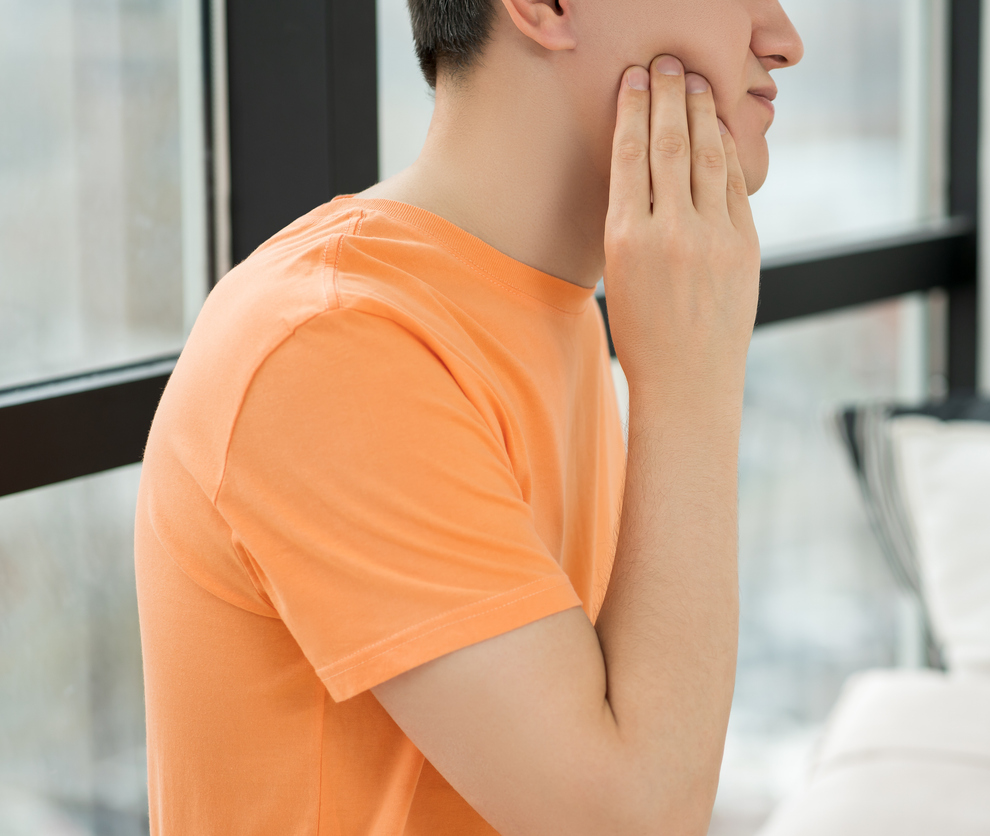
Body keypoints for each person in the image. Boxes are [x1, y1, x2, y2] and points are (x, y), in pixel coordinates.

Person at [134, 0, 802, 833]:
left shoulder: (557, 307)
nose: (784, 41)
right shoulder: (336, 345)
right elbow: (633, 818)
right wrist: (693, 385)